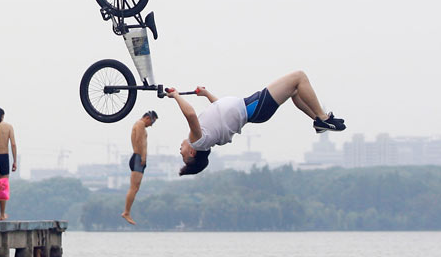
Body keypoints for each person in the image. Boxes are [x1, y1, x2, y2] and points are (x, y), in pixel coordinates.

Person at [170, 72, 346, 176]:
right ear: (192, 153)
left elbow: (221, 110)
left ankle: (318, 120)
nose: (180, 151)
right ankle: (323, 118)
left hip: (256, 109)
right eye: (183, 155)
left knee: (294, 90)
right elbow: (191, 114)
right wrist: (177, 95)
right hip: (255, 107)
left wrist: (207, 94)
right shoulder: (197, 141)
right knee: (299, 77)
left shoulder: (207, 138)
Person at [121, 110, 157, 225]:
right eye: (152, 122)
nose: (151, 125)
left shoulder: (140, 125)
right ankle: (126, 212)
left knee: (136, 188)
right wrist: (142, 157)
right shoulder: (140, 124)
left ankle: (127, 211)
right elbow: (139, 140)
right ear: (147, 118)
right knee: (133, 187)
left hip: (139, 158)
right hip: (138, 158)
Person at [0, 107, 16, 219]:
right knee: (3, 186)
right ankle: (2, 213)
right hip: (4, 156)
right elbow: (13, 144)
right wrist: (15, 161)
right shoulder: (8, 127)